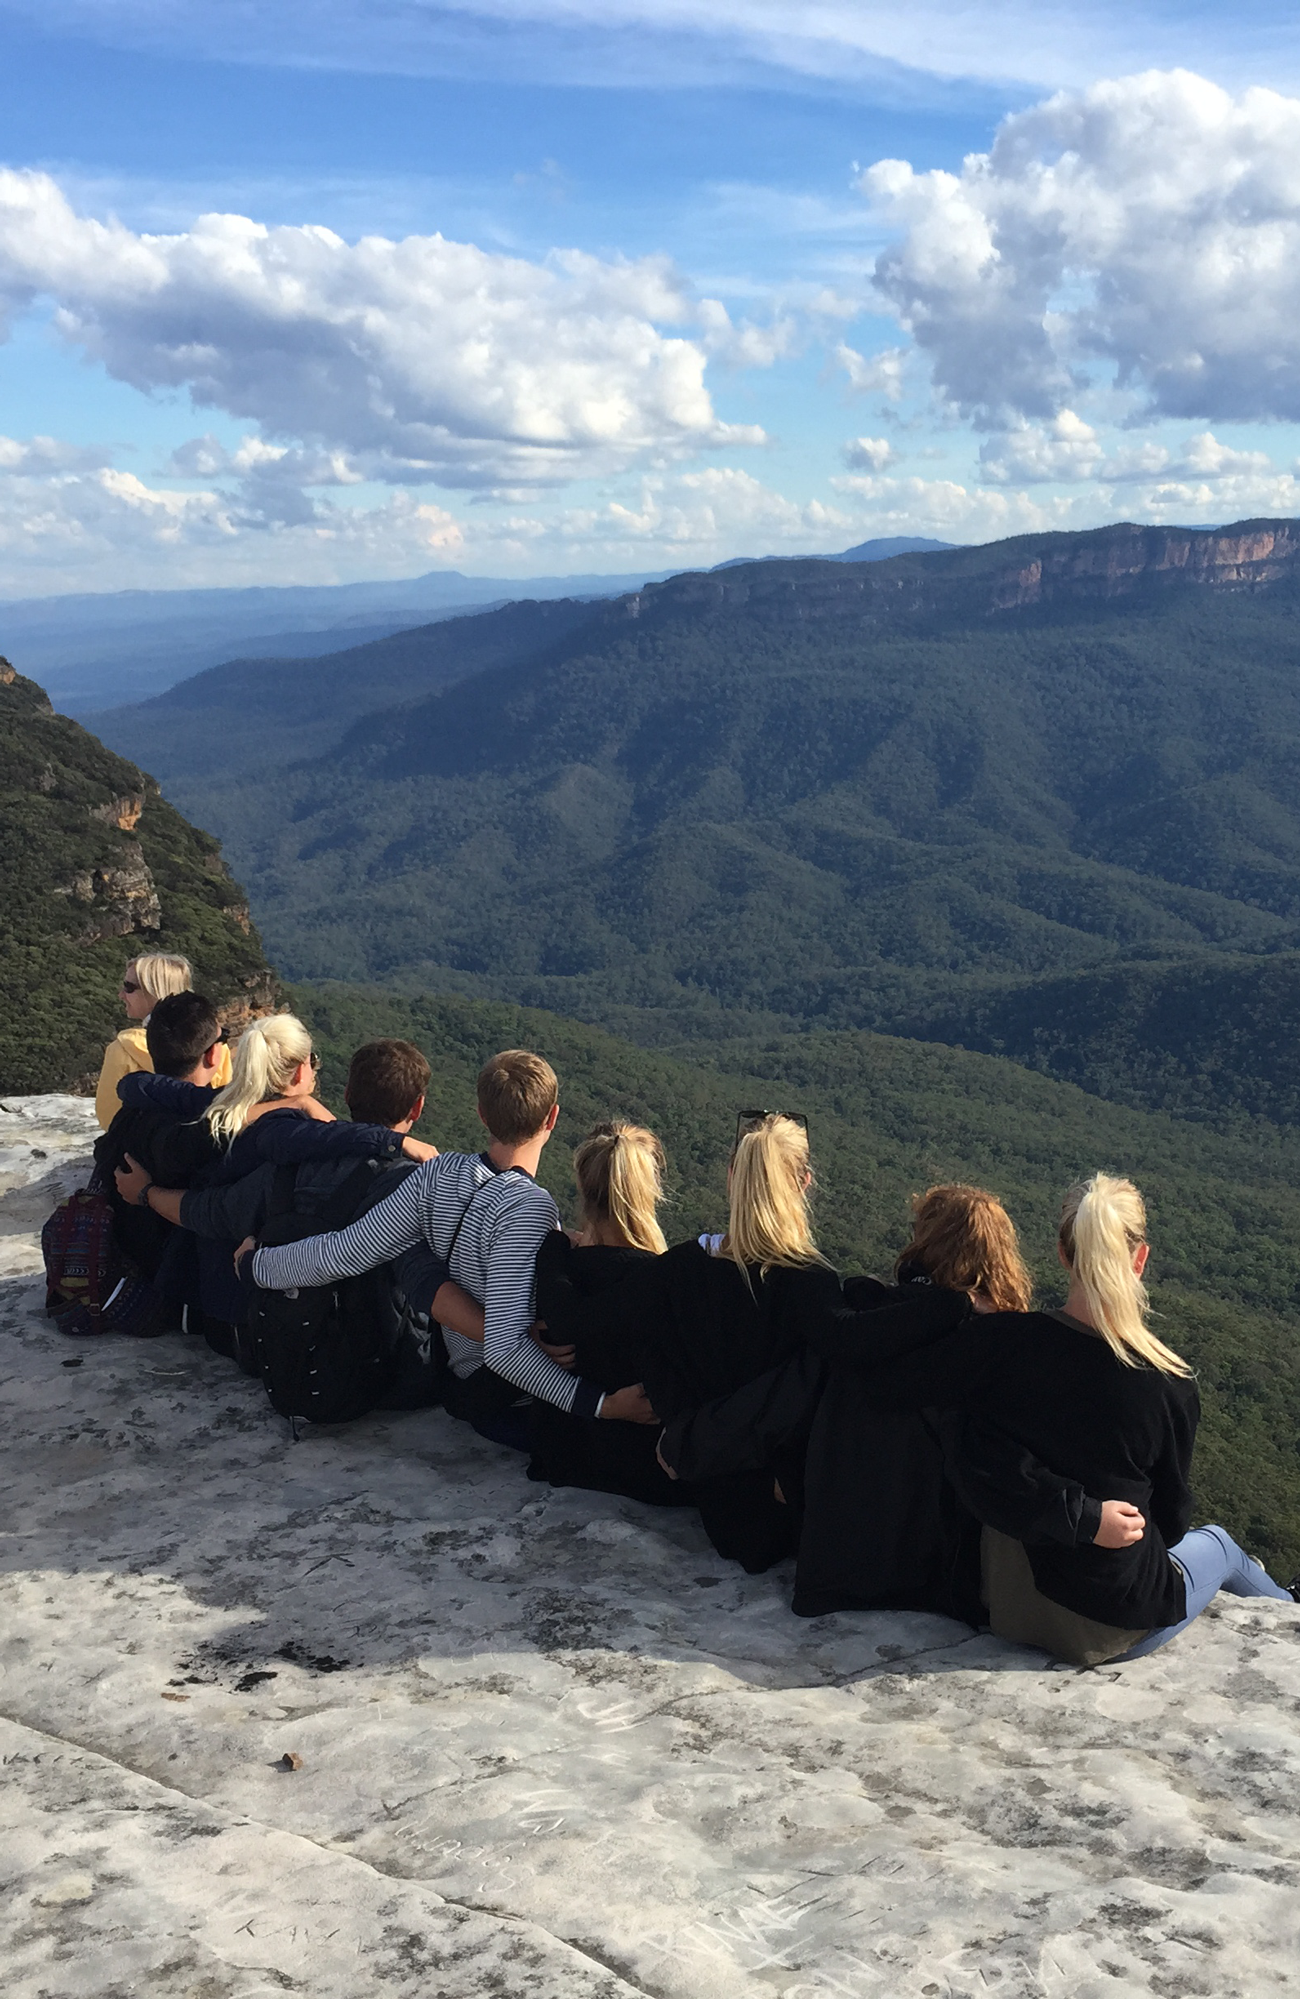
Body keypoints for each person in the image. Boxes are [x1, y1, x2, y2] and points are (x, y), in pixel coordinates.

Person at [832, 1174, 1296, 1665]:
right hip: (1107, 1629)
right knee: (1219, 1544)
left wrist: (949, 1304)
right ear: (1140, 1259)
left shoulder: (1001, 1342)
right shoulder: (1168, 1384)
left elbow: (888, 1384)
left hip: (1006, 1605)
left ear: (1062, 1251)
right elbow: (1173, 1522)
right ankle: (1290, 1610)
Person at [657, 1183, 1044, 1617]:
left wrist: (684, 1443)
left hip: (840, 1572)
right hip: (949, 1580)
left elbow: (773, 1407)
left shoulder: (861, 1328)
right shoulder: (1012, 1352)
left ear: (924, 1244)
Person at [244, 1049, 654, 1446]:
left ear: (481, 1114)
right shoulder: (531, 1207)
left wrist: (255, 1265)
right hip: (509, 1403)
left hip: (455, 1379)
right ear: (552, 1118)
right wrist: (601, 1405)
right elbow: (505, 1347)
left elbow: (343, 1252)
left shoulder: (437, 1175)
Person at [559, 1112, 844, 1570]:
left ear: (732, 1176)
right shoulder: (816, 1287)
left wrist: (554, 1254)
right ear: (804, 1183)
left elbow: (590, 1324)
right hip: (789, 1509)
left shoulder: (680, 1269)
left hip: (714, 1499)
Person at [121, 1038, 482, 1398]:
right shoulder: (415, 1186)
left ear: (347, 1095)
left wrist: (146, 1193)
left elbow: (208, 1212)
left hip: (289, 1359)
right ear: (417, 1107)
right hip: (390, 1372)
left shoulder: (286, 1168)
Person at [527, 1122, 691, 1504]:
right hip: (647, 1474)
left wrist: (554, 1246)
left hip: (561, 1459)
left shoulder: (554, 1272)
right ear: (648, 1192)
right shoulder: (666, 1281)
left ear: (583, 1188)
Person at [94, 953, 232, 1128]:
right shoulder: (216, 1044)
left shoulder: (122, 1049)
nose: (121, 994)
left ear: (153, 990)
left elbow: (108, 1116)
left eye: (129, 987)